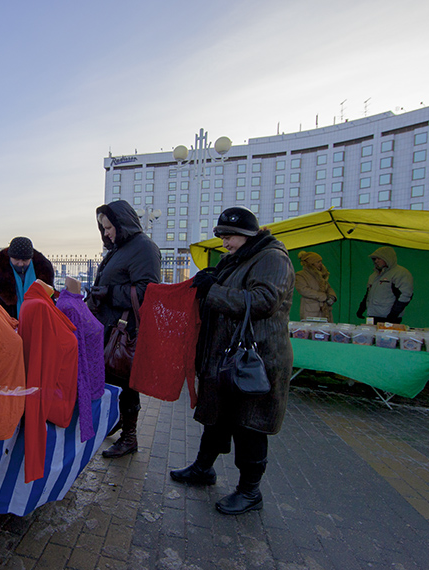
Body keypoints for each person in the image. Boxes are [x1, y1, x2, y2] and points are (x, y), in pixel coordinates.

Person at [171, 206, 294, 516]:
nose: (224, 243)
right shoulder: (237, 258)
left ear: (248, 234)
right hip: (226, 355)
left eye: (229, 237)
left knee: (249, 426)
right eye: (222, 237)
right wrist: (212, 280)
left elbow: (263, 301)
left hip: (256, 359)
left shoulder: (272, 258)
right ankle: (203, 469)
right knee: (216, 417)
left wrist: (214, 291)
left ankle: (250, 492)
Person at [88, 200, 161, 458]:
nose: (106, 233)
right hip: (112, 327)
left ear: (122, 223)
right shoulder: (121, 248)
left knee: (127, 384)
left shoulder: (144, 248)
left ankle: (130, 438)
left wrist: (109, 293)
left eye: (109, 227)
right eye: (103, 229)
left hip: (126, 331)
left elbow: (147, 292)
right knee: (117, 381)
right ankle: (119, 423)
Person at [0, 237, 56, 319]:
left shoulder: (43, 271)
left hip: (37, 319)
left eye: (25, 260)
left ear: (31, 258)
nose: (20, 264)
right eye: (16, 259)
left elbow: (50, 298)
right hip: (6, 320)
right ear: (10, 257)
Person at [357, 246, 413, 324]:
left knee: (386, 336)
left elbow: (405, 295)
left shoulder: (400, 273)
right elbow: (368, 294)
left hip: (389, 317)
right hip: (372, 315)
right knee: (371, 336)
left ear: (388, 258)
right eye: (374, 259)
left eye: (379, 258)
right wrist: (362, 308)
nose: (376, 261)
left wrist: (393, 315)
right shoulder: (374, 275)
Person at [294, 251, 336, 321]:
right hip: (311, 311)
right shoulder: (301, 275)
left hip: (325, 311)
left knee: (325, 330)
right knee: (311, 331)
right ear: (311, 263)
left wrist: (332, 296)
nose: (321, 264)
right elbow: (303, 290)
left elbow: (328, 287)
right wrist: (322, 296)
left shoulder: (321, 275)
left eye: (321, 261)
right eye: (318, 262)